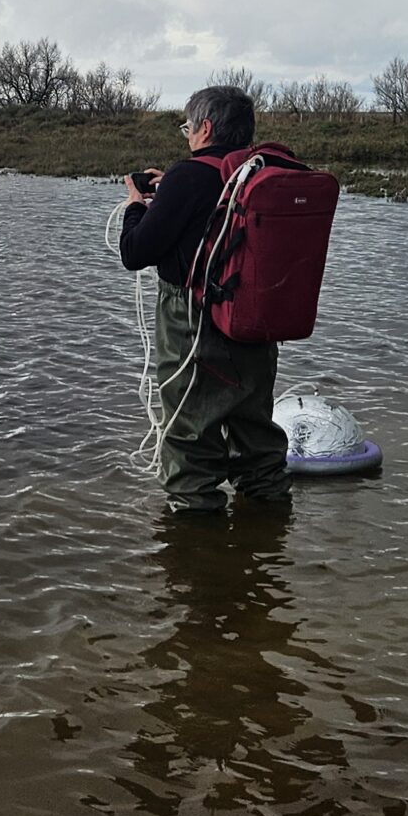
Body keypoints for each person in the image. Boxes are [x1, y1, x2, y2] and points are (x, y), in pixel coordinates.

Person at [119, 84, 292, 513]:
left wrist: (136, 204)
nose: (189, 136)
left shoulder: (188, 177)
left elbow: (135, 252)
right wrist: (171, 189)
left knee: (189, 441)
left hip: (193, 328)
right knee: (257, 439)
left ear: (206, 128)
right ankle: (269, 540)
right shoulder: (260, 173)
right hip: (257, 325)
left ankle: (196, 544)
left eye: (188, 128)